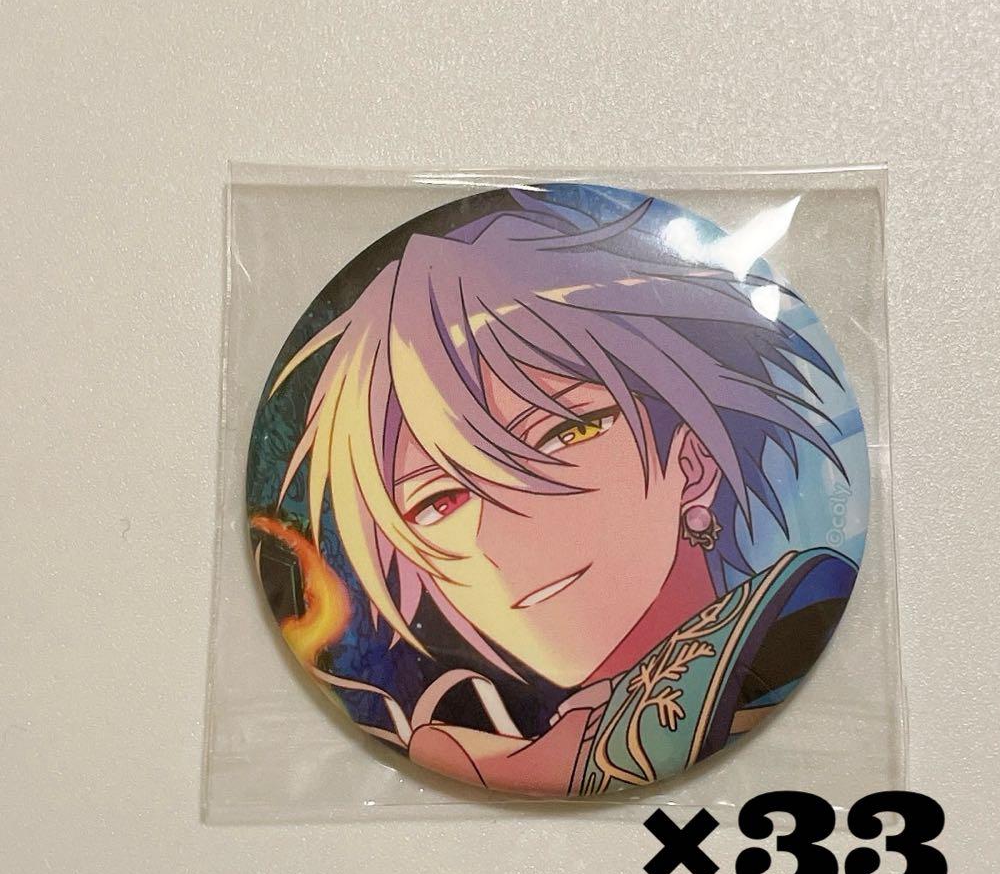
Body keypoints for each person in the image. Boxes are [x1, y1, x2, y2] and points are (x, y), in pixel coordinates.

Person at [259, 191, 857, 796]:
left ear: (692, 462)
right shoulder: (487, 733)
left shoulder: (792, 619)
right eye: (438, 501)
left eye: (562, 433)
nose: (501, 535)